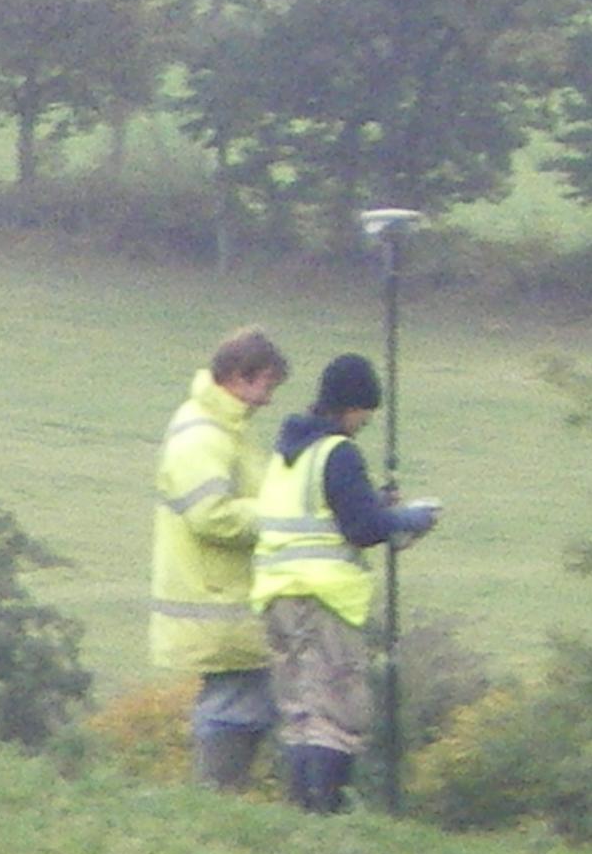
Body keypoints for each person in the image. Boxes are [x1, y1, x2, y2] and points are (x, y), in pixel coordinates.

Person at [252, 353, 440, 814]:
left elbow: (323, 514)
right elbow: (362, 528)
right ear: (351, 407)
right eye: (364, 415)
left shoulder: (287, 455)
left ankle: (299, 809)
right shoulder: (338, 453)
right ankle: (326, 815)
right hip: (323, 601)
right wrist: (406, 518)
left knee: (298, 712)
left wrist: (373, 505)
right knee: (334, 713)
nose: (364, 424)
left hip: (277, 597)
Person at [150, 326, 291, 790]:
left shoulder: (225, 431)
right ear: (237, 376)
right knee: (232, 709)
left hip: (231, 604)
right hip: (217, 603)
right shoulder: (202, 436)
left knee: (245, 703)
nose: (268, 400)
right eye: (266, 385)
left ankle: (222, 805)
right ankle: (215, 805)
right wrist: (278, 519)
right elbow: (211, 517)